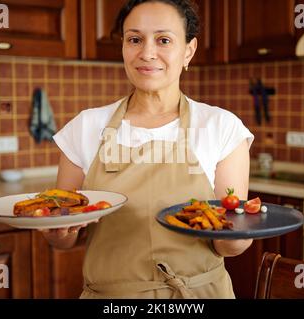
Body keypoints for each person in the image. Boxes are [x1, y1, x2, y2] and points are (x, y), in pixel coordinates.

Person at [43, 0, 254, 299]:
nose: (147, 53)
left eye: (164, 40)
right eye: (135, 39)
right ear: (124, 48)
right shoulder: (86, 126)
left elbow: (227, 246)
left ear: (188, 51)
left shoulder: (221, 127)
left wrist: (239, 236)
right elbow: (63, 236)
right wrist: (57, 232)